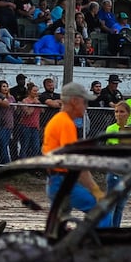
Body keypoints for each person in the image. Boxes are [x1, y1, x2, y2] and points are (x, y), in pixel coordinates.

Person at [43, 82, 104, 216]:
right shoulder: (66, 124)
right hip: (62, 181)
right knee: (101, 212)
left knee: (60, 225)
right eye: (84, 102)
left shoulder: (58, 120)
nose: (86, 106)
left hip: (56, 180)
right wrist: (95, 190)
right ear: (74, 101)